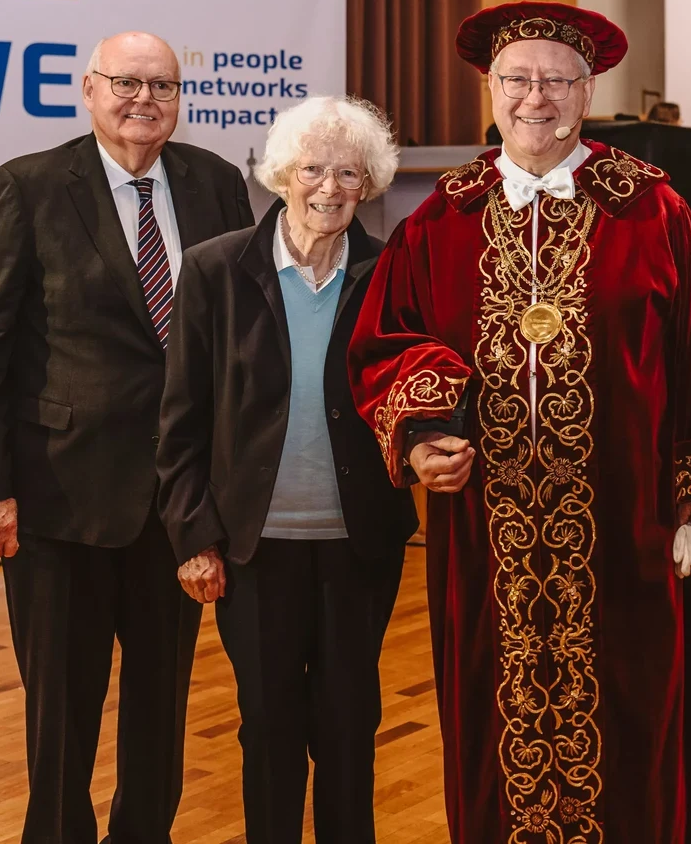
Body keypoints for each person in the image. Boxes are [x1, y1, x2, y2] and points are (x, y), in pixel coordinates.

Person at [349, 1, 691, 843]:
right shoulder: (441, 217)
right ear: (491, 88)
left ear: (588, 92)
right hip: (488, 539)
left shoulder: (653, 211)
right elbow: (384, 345)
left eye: (557, 80)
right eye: (517, 79)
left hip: (627, 531)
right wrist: (420, 435)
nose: (536, 98)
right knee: (492, 723)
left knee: (636, 723)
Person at [0, 31, 254, 843]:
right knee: (61, 713)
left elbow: (241, 335)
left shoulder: (218, 183)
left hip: (179, 503)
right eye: (126, 82)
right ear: (89, 89)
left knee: (162, 706)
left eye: (163, 86)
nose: (144, 99)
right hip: (59, 502)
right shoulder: (30, 187)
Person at [156, 95, 416, 844]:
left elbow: (415, 387)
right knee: (267, 724)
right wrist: (193, 537)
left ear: (369, 183)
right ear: (281, 175)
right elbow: (181, 418)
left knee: (349, 724)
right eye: (312, 169)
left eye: (348, 172)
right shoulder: (215, 268)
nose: (329, 187)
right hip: (253, 549)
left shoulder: (390, 272)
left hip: (359, 545)